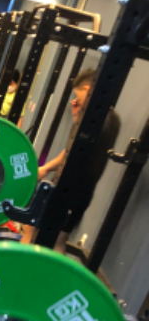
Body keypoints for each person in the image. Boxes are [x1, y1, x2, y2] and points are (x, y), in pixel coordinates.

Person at [22, 69, 121, 253]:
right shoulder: (113, 118)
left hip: (69, 188)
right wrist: (45, 168)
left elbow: (74, 152)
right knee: (59, 239)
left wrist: (79, 117)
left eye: (78, 95)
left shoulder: (95, 120)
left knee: (31, 228)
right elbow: (70, 150)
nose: (75, 101)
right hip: (82, 193)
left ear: (88, 89)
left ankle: (17, 268)